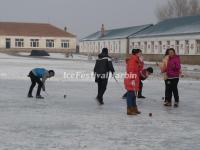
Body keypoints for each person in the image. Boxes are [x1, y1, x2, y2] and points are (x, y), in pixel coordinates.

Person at [124, 49, 141, 115]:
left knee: (133, 95)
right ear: (136, 53)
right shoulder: (133, 60)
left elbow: (138, 69)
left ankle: (134, 108)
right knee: (130, 95)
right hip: (131, 79)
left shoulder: (136, 60)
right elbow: (130, 70)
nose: (140, 54)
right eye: (139, 53)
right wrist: (132, 79)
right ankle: (129, 109)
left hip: (134, 78)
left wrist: (141, 63)